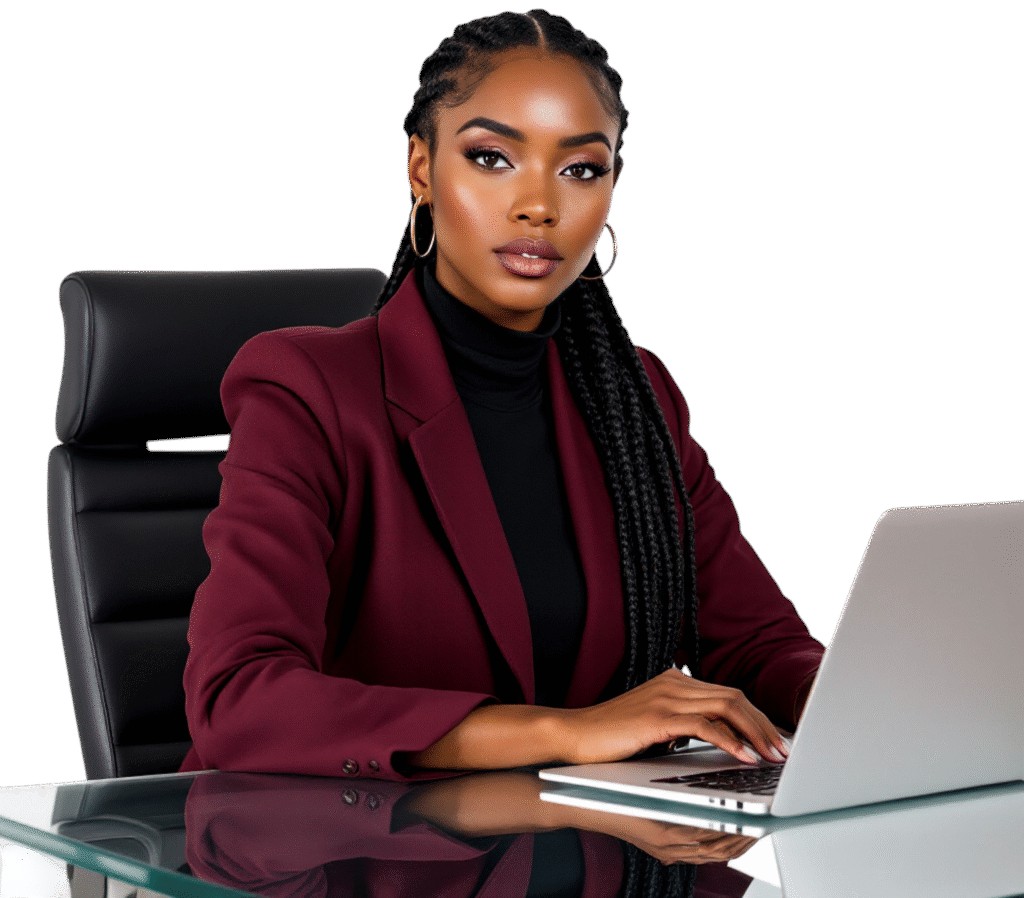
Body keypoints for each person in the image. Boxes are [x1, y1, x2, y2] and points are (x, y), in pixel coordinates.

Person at [179, 9, 824, 782]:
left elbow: (755, 643)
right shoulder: (308, 389)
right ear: (421, 168)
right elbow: (238, 698)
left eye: (582, 168)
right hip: (354, 859)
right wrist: (566, 732)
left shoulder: (637, 400)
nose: (539, 206)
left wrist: (860, 695)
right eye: (492, 158)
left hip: (588, 853)